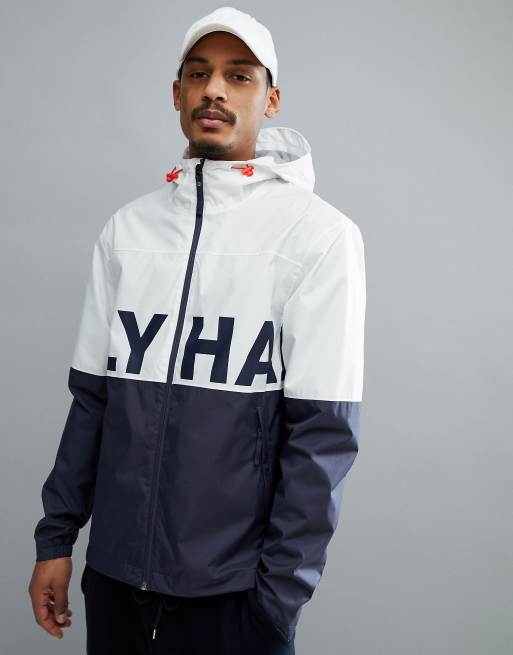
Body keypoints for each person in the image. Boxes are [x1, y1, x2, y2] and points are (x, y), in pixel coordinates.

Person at [28, 6, 366, 654]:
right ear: (177, 93)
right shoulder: (128, 231)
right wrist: (56, 540)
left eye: (238, 75)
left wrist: (275, 603)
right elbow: (91, 403)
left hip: (233, 599)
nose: (214, 89)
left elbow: (323, 437)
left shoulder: (318, 237)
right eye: (198, 73)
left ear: (270, 98)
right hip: (115, 583)